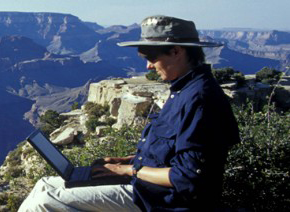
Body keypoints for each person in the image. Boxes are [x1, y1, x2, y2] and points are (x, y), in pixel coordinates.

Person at [18, 15, 241, 211]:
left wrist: (126, 170)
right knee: (45, 184)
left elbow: (188, 177)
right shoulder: (181, 91)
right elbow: (171, 155)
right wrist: (122, 160)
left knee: (44, 202)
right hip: (144, 186)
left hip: (159, 200)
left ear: (176, 51)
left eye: (151, 58)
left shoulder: (200, 100)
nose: (148, 67)